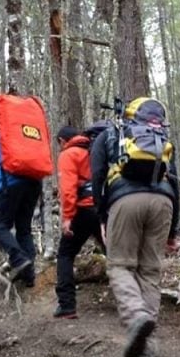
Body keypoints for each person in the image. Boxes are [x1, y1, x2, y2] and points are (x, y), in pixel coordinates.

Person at [90, 97, 180, 357]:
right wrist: (174, 230)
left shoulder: (110, 135)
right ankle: (147, 348)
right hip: (163, 203)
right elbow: (176, 183)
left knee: (119, 266)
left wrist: (102, 216)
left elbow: (96, 178)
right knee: (150, 272)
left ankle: (136, 316)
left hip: (125, 201)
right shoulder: (162, 141)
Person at [0, 119, 41, 287]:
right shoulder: (20, 138)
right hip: (33, 184)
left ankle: (19, 259)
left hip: (8, 185)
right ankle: (29, 275)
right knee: (24, 228)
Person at [54, 125, 105, 320]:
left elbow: (68, 190)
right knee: (115, 253)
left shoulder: (68, 154)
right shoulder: (97, 150)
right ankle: (134, 302)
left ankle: (67, 305)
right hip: (102, 210)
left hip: (82, 211)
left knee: (65, 254)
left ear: (62, 141)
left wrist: (67, 217)